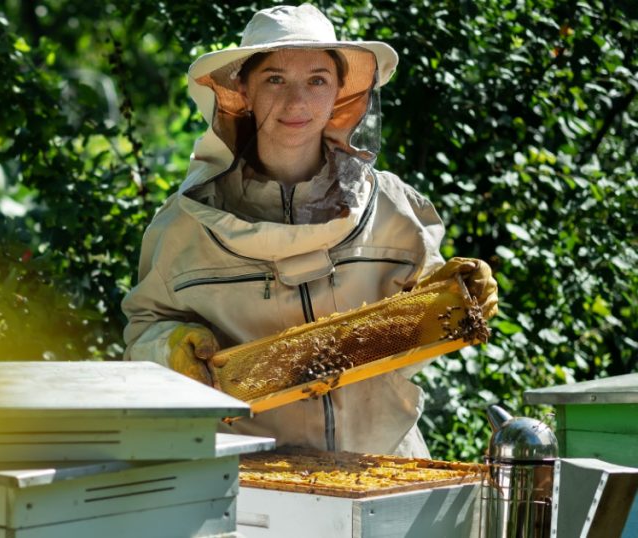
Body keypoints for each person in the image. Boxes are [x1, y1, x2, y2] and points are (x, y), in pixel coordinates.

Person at [121, 4, 497, 457]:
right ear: (243, 89)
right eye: (274, 79)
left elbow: (422, 338)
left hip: (379, 462)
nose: (297, 102)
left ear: (340, 91)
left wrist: (454, 301)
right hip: (246, 478)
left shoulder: (395, 208)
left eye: (317, 80)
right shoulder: (182, 226)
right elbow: (140, 337)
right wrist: (168, 348)